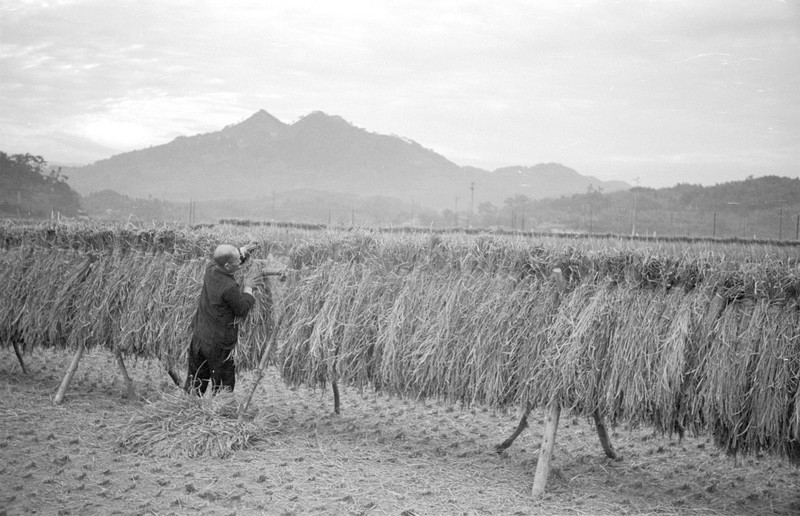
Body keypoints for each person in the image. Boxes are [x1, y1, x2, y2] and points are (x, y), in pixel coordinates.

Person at [185, 242, 258, 395]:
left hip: (199, 338)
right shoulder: (229, 287)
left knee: (195, 381)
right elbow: (241, 308)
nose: (240, 263)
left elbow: (223, 259)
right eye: (237, 261)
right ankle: (220, 414)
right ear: (226, 266)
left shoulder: (210, 268)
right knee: (223, 386)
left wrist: (243, 251)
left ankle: (189, 407)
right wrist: (249, 288)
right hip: (218, 345)